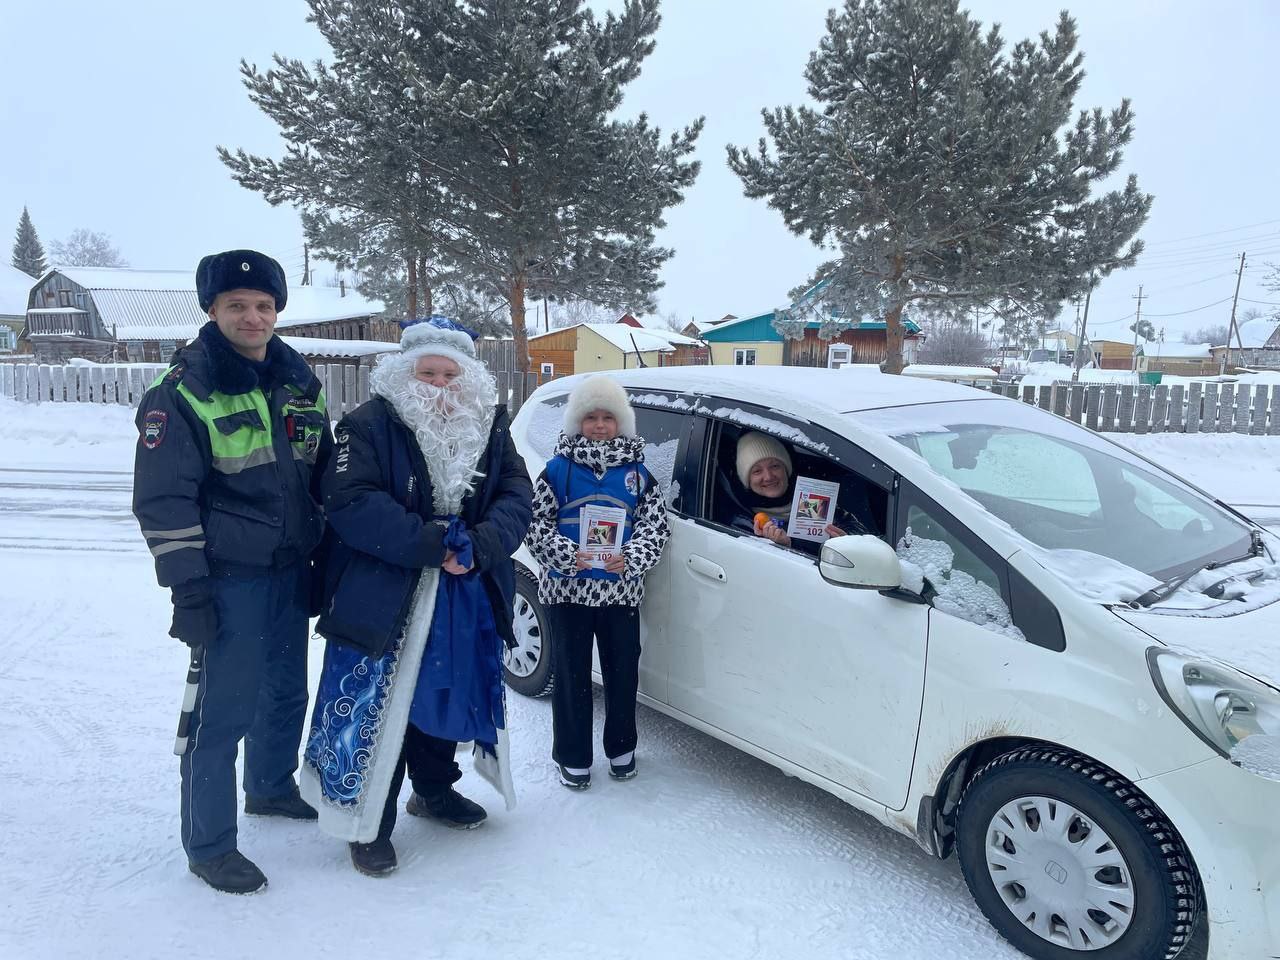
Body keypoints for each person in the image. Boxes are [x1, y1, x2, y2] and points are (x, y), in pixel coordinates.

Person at [301, 317, 532, 878]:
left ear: (468, 378)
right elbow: (350, 500)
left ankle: (433, 789)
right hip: (383, 595)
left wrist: (480, 545)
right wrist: (432, 544)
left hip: (465, 588)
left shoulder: (489, 425)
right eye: (427, 373)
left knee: (443, 692)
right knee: (381, 709)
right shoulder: (366, 425)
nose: (439, 385)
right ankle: (367, 824)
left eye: (450, 374)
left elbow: (516, 493)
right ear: (404, 374)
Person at [132, 250, 332, 895]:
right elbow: (164, 501)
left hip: (289, 569)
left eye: (264, 305)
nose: (253, 317)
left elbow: (321, 475)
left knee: (286, 691)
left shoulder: (299, 384)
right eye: (237, 305)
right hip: (228, 578)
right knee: (222, 712)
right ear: (211, 309)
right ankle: (210, 845)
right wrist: (188, 590)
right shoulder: (181, 392)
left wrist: (328, 553)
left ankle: (270, 787)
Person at [525, 376, 671, 789]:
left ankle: (622, 750)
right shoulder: (556, 471)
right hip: (567, 592)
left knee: (622, 675)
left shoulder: (638, 475)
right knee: (571, 676)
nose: (600, 425)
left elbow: (656, 528)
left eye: (609, 417)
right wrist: (569, 556)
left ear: (621, 422)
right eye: (591, 417)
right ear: (578, 422)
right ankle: (572, 757)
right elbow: (534, 525)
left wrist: (631, 557)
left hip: (619, 593)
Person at [733, 431, 847, 550]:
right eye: (757, 471)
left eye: (775, 466)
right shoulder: (743, 522)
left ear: (786, 469)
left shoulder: (809, 497)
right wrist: (783, 547)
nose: (768, 477)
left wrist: (845, 538)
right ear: (747, 480)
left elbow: (853, 527)